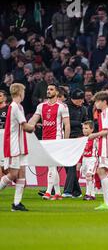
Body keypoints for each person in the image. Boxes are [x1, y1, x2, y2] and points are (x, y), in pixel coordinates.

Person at [28, 83, 70, 200]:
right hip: (45, 139)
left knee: (51, 166)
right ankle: (57, 193)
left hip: (57, 139)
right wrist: (25, 126)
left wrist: (65, 142)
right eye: (48, 89)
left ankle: (47, 191)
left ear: (56, 92)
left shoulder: (62, 107)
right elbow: (33, 120)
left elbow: (67, 125)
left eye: (51, 89)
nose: (48, 91)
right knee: (52, 167)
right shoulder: (41, 106)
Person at [0, 83, 36, 211]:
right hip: (14, 145)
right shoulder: (15, 106)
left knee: (22, 174)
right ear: (20, 92)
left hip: (20, 145)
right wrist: (33, 127)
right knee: (13, 174)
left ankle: (16, 204)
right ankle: (16, 203)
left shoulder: (19, 106)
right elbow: (25, 126)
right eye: (24, 91)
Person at [88, 92, 108, 210]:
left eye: (97, 102)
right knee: (102, 172)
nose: (95, 104)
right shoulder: (104, 113)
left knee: (101, 171)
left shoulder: (105, 113)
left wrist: (93, 135)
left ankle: (107, 203)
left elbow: (106, 131)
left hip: (107, 146)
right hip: (105, 145)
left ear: (104, 102)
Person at [79, 121, 97, 200]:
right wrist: (79, 162)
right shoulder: (82, 139)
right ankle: (92, 194)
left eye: (86, 128)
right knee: (88, 177)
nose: (84, 130)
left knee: (89, 175)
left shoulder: (95, 139)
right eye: (83, 128)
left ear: (92, 129)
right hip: (85, 159)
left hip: (92, 159)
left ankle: (87, 194)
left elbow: (99, 149)